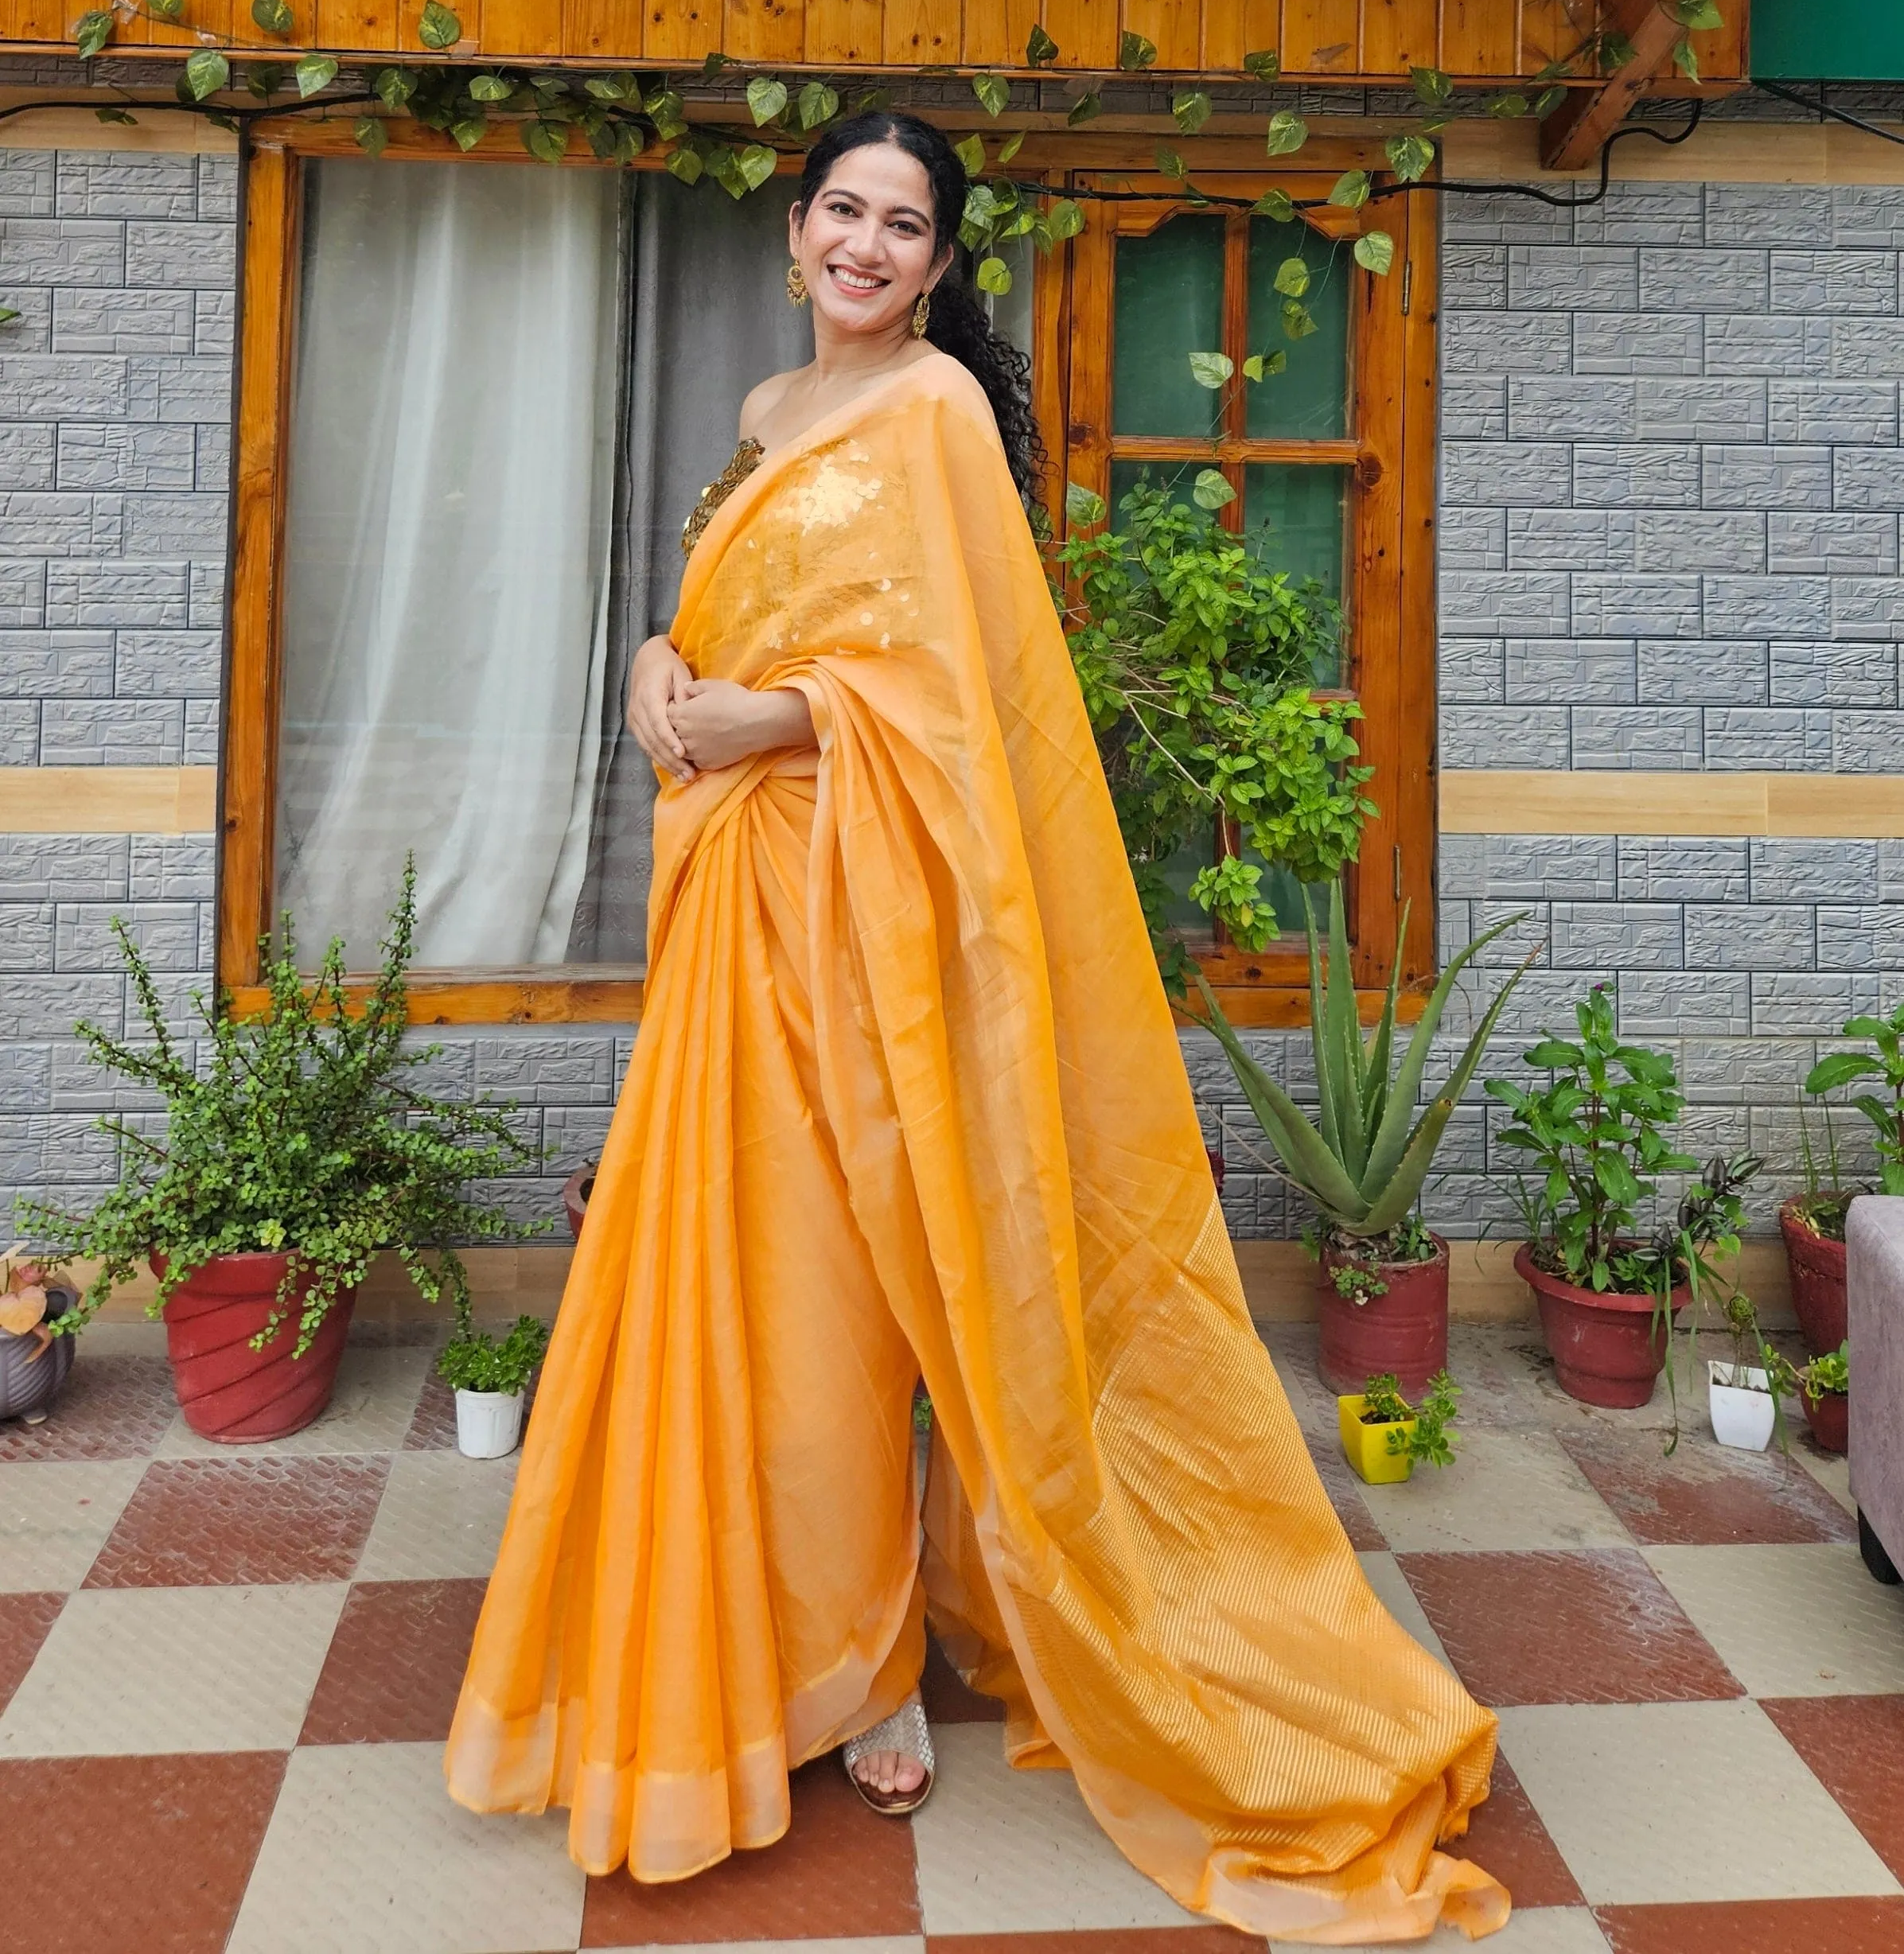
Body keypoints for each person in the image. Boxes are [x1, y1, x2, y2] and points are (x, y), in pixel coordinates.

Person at [446, 111, 1507, 1941]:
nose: (864, 243)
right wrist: (653, 668)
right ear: (796, 234)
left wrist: (778, 724)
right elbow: (735, 610)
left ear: (939, 265)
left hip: (870, 913)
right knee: (754, 1278)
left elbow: (955, 699)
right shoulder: (773, 414)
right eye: (841, 210)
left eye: (902, 223)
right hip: (736, 913)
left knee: (867, 1279)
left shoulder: (933, 411)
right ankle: (778, 1636)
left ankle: (862, 1664)